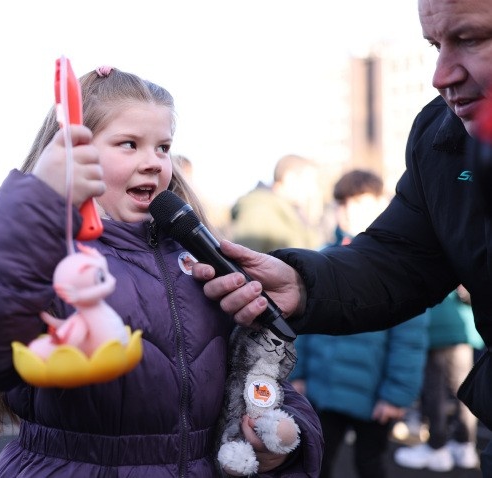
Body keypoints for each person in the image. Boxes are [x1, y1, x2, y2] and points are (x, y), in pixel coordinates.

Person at [0, 66, 323, 477]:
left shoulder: (195, 260)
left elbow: (249, 373)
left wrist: (283, 440)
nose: (153, 162)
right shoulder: (56, 258)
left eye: (163, 147)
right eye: (129, 144)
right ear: (72, 153)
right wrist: (37, 204)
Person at [191, 1, 492, 476]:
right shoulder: (440, 138)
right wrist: (304, 281)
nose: (440, 74)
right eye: (435, 45)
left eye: (471, 39)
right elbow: (401, 256)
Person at [289, 169, 430, 478]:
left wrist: (396, 394)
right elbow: (303, 328)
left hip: (373, 395)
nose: (350, 211)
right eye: (344, 203)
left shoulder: (397, 267)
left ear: (383, 205)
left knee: (370, 464)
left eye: (361, 203)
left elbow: (409, 339)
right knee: (316, 462)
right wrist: (297, 373)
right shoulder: (322, 259)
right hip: (324, 390)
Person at [394, 285, 483, 471]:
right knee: (463, 391)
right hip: (461, 330)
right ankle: (465, 444)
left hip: (435, 328)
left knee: (435, 391)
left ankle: (437, 446)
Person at [230, 154, 324, 253]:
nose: (313, 189)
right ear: (290, 178)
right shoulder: (259, 210)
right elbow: (243, 260)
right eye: (309, 181)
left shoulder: (294, 212)